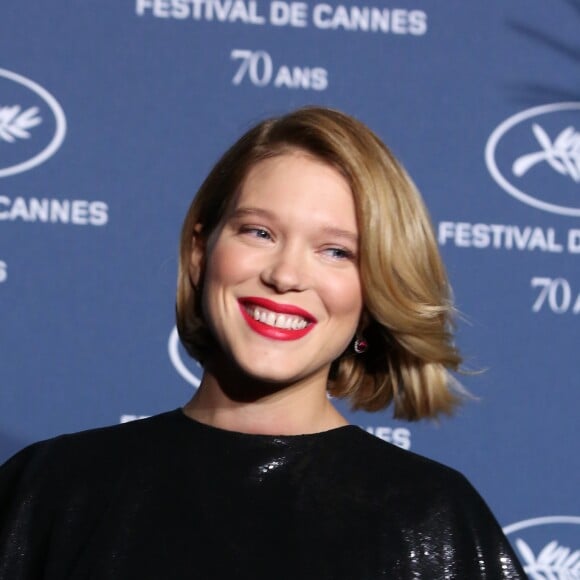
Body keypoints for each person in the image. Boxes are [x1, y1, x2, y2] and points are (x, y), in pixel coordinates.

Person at [0, 107, 525, 579]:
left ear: (375, 295)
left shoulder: (431, 520)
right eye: (259, 233)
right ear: (201, 252)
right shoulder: (51, 489)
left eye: (336, 252)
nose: (287, 274)